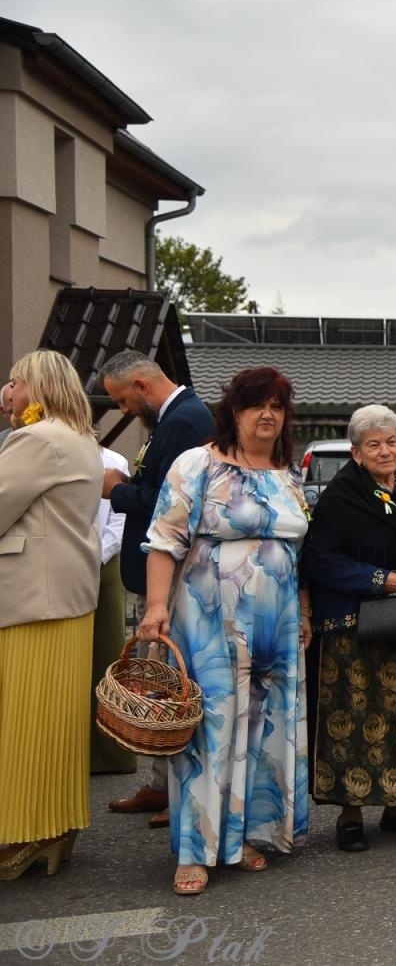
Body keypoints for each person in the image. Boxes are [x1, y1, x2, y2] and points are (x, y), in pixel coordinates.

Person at [137, 366, 311, 895]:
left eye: (277, 406)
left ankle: (245, 836)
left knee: (262, 726)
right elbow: (164, 539)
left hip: (276, 624)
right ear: (234, 412)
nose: (267, 415)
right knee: (210, 727)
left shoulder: (288, 474)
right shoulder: (198, 463)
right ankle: (196, 849)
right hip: (209, 617)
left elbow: (299, 552)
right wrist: (156, 606)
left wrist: (304, 611)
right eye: (256, 405)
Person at [301, 405, 396, 851]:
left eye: (391, 442)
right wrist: (377, 578)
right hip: (355, 629)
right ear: (357, 453)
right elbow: (320, 559)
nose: (385, 451)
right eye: (374, 444)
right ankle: (350, 816)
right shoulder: (340, 498)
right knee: (356, 720)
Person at [101, 350, 216, 827]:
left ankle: (176, 788)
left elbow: (171, 503)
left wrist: (116, 490)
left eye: (122, 400)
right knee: (159, 679)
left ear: (142, 387)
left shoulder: (186, 421)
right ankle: (159, 782)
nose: (124, 410)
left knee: (171, 682)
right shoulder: (175, 417)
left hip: (173, 567)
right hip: (159, 566)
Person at [0, 350, 103, 881]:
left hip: (31, 598)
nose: (7, 393)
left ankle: (26, 833)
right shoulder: (80, 438)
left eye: (13, 383)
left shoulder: (37, 440)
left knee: (24, 721)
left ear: (36, 387)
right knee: (54, 719)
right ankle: (54, 827)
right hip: (64, 596)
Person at [90, 445, 136, 776]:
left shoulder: (113, 461)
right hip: (65, 564)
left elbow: (120, 519)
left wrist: (97, 555)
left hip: (104, 563)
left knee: (107, 658)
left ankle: (111, 754)